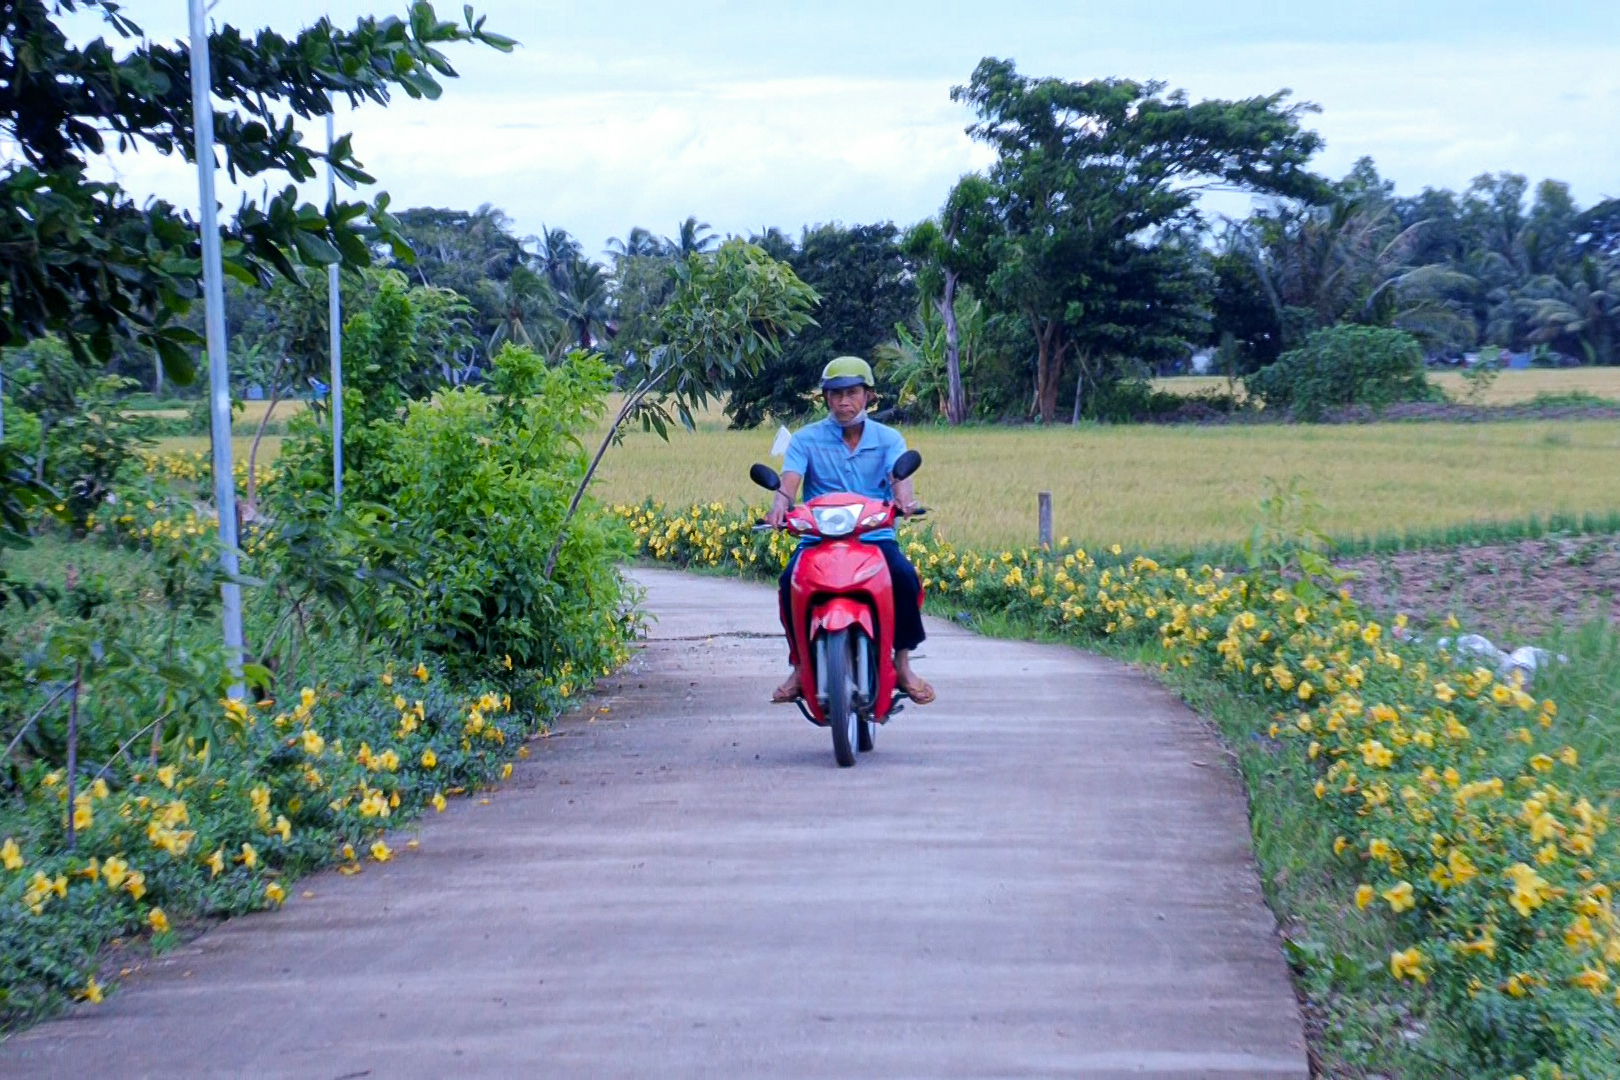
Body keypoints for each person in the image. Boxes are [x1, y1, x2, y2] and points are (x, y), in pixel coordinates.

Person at [764, 356, 935, 706]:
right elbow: (789, 484)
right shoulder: (806, 439)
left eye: (853, 393)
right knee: (787, 583)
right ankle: (799, 665)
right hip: (818, 538)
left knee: (903, 578)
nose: (844, 402)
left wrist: (905, 502)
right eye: (835, 394)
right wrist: (780, 506)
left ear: (869, 396)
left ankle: (901, 664)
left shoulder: (889, 439)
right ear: (825, 398)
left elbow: (900, 479)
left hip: (873, 537)